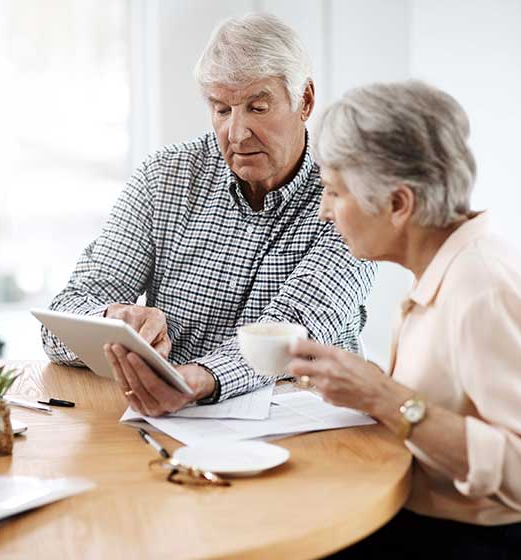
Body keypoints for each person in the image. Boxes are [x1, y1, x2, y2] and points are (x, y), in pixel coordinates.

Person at [289, 80, 521, 558]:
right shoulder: (443, 270)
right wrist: (366, 387)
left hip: (517, 540)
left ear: (398, 204)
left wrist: (387, 398)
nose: (325, 212)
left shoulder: (484, 289)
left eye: (333, 192)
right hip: (455, 523)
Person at [41, 13, 375, 416]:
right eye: (221, 109)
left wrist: (198, 380)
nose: (236, 133)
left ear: (304, 101)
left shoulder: (348, 193)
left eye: (258, 107)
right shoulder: (165, 177)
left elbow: (291, 336)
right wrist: (114, 320)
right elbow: (61, 322)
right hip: (173, 423)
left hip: (307, 428)